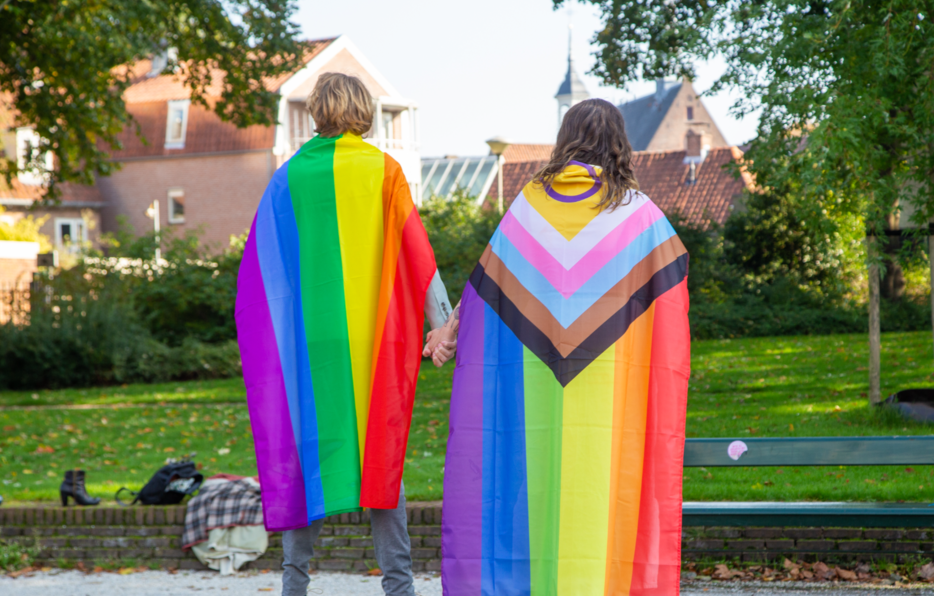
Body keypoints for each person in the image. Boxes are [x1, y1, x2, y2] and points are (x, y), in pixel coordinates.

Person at [427, 98, 692, 595]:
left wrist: (450, 330)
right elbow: (673, 302)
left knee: (535, 502)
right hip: (612, 404)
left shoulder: (527, 208)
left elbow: (486, 288)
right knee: (600, 503)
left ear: (565, 140)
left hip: (536, 402)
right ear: (619, 144)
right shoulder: (640, 217)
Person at [235, 72, 453, 596]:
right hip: (372, 348)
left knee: (307, 453)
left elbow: (263, 270)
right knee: (382, 456)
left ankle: (295, 585)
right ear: (364, 110)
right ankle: (399, 587)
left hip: (313, 350)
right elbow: (416, 255)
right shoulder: (384, 170)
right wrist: (441, 323)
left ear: (317, 112)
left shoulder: (288, 178)